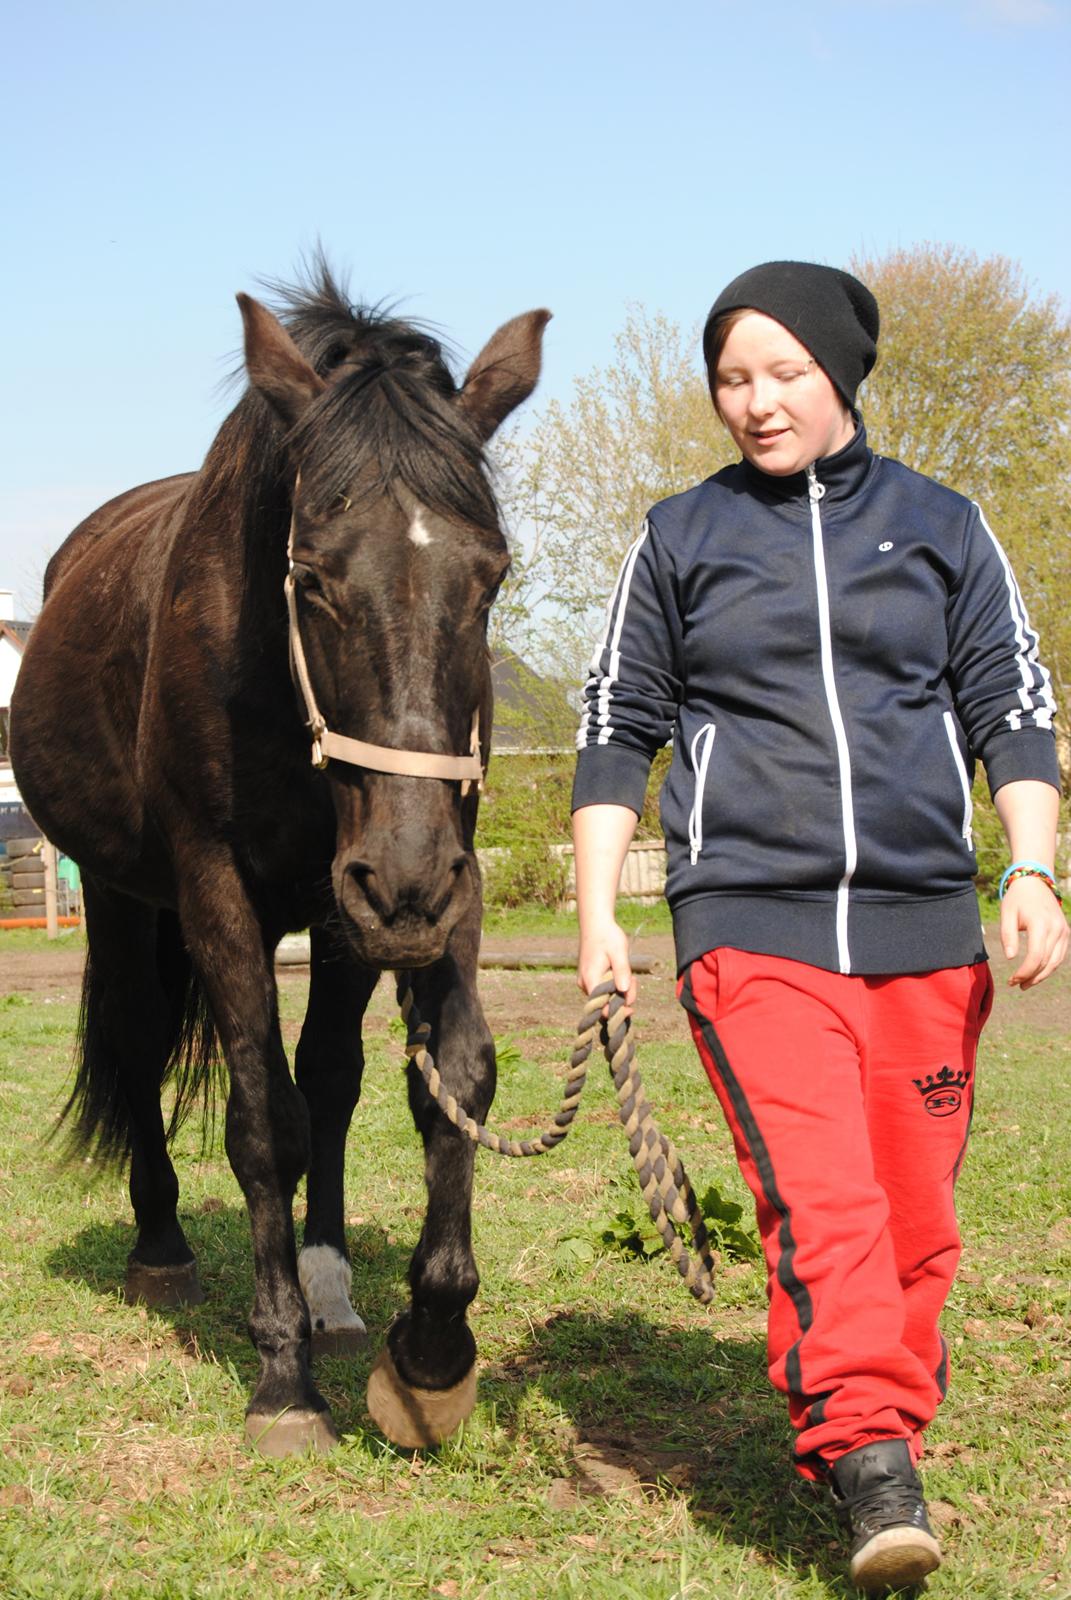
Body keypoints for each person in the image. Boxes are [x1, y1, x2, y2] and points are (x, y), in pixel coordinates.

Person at [572, 260, 1067, 1594]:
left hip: (928, 931)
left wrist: (1031, 867)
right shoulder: (684, 537)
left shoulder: (946, 526)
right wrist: (598, 910)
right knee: (827, 1197)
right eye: (733, 377)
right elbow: (619, 724)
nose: (756, 400)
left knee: (915, 1219)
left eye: (784, 371)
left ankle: (881, 1417)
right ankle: (870, 1462)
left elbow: (1013, 706)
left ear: (842, 373)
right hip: (753, 925)